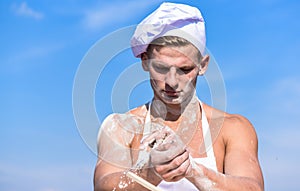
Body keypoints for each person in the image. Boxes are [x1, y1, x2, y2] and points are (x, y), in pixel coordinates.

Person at [94, 2, 264, 191]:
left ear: (203, 65)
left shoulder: (232, 128)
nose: (172, 82)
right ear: (145, 62)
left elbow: (252, 188)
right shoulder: (120, 127)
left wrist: (192, 170)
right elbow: (104, 186)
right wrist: (150, 171)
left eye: (185, 69)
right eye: (161, 68)